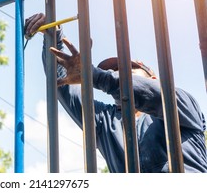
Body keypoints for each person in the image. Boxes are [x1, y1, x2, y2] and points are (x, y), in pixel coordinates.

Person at [24, 13, 207, 173]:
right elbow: (64, 86)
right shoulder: (105, 120)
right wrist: (53, 36)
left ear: (152, 78)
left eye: (128, 68)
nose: (117, 72)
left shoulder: (182, 103)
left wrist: (94, 76)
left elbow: (153, 94)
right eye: (114, 70)